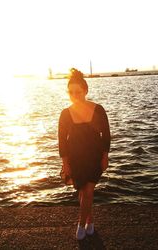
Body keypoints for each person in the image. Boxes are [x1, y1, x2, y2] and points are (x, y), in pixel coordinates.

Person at [58, 68, 111, 240]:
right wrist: (65, 164)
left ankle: (81, 225)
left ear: (86, 90)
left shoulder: (98, 110)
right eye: (71, 92)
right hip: (75, 159)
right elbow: (62, 141)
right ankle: (90, 222)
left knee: (88, 190)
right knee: (82, 191)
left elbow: (106, 135)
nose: (74, 95)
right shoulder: (65, 114)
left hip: (94, 158)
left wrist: (105, 156)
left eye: (78, 92)